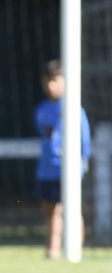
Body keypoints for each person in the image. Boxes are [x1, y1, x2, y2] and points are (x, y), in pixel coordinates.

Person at [34, 59, 90, 260]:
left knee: (71, 210)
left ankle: (76, 249)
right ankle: (52, 250)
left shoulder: (74, 108)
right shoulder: (40, 109)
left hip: (68, 169)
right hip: (47, 170)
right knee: (50, 210)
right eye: (47, 81)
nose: (51, 85)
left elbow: (84, 137)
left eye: (55, 80)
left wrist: (83, 160)